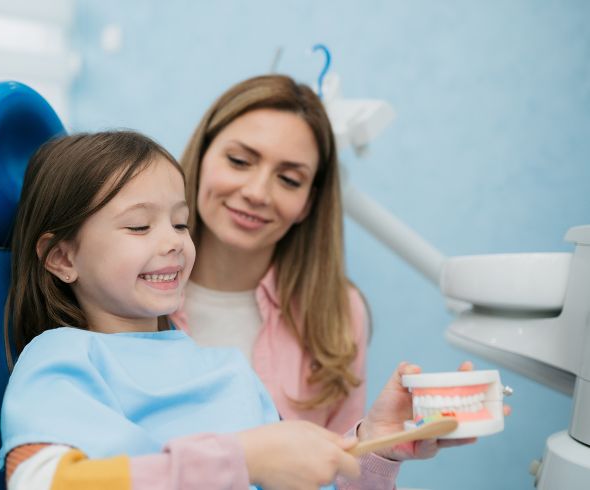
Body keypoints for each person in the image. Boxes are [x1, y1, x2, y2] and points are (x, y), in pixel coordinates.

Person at [0, 131, 376, 490]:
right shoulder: (64, 357)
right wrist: (239, 460)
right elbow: (39, 481)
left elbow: (307, 478)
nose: (174, 242)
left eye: (180, 223)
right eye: (139, 226)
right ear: (63, 258)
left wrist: (378, 447)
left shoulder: (227, 370)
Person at [170, 73, 482, 480]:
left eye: (289, 179)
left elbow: (340, 479)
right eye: (240, 161)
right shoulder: (121, 289)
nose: (257, 192)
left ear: (307, 203)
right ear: (202, 156)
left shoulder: (337, 313)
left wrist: (379, 448)